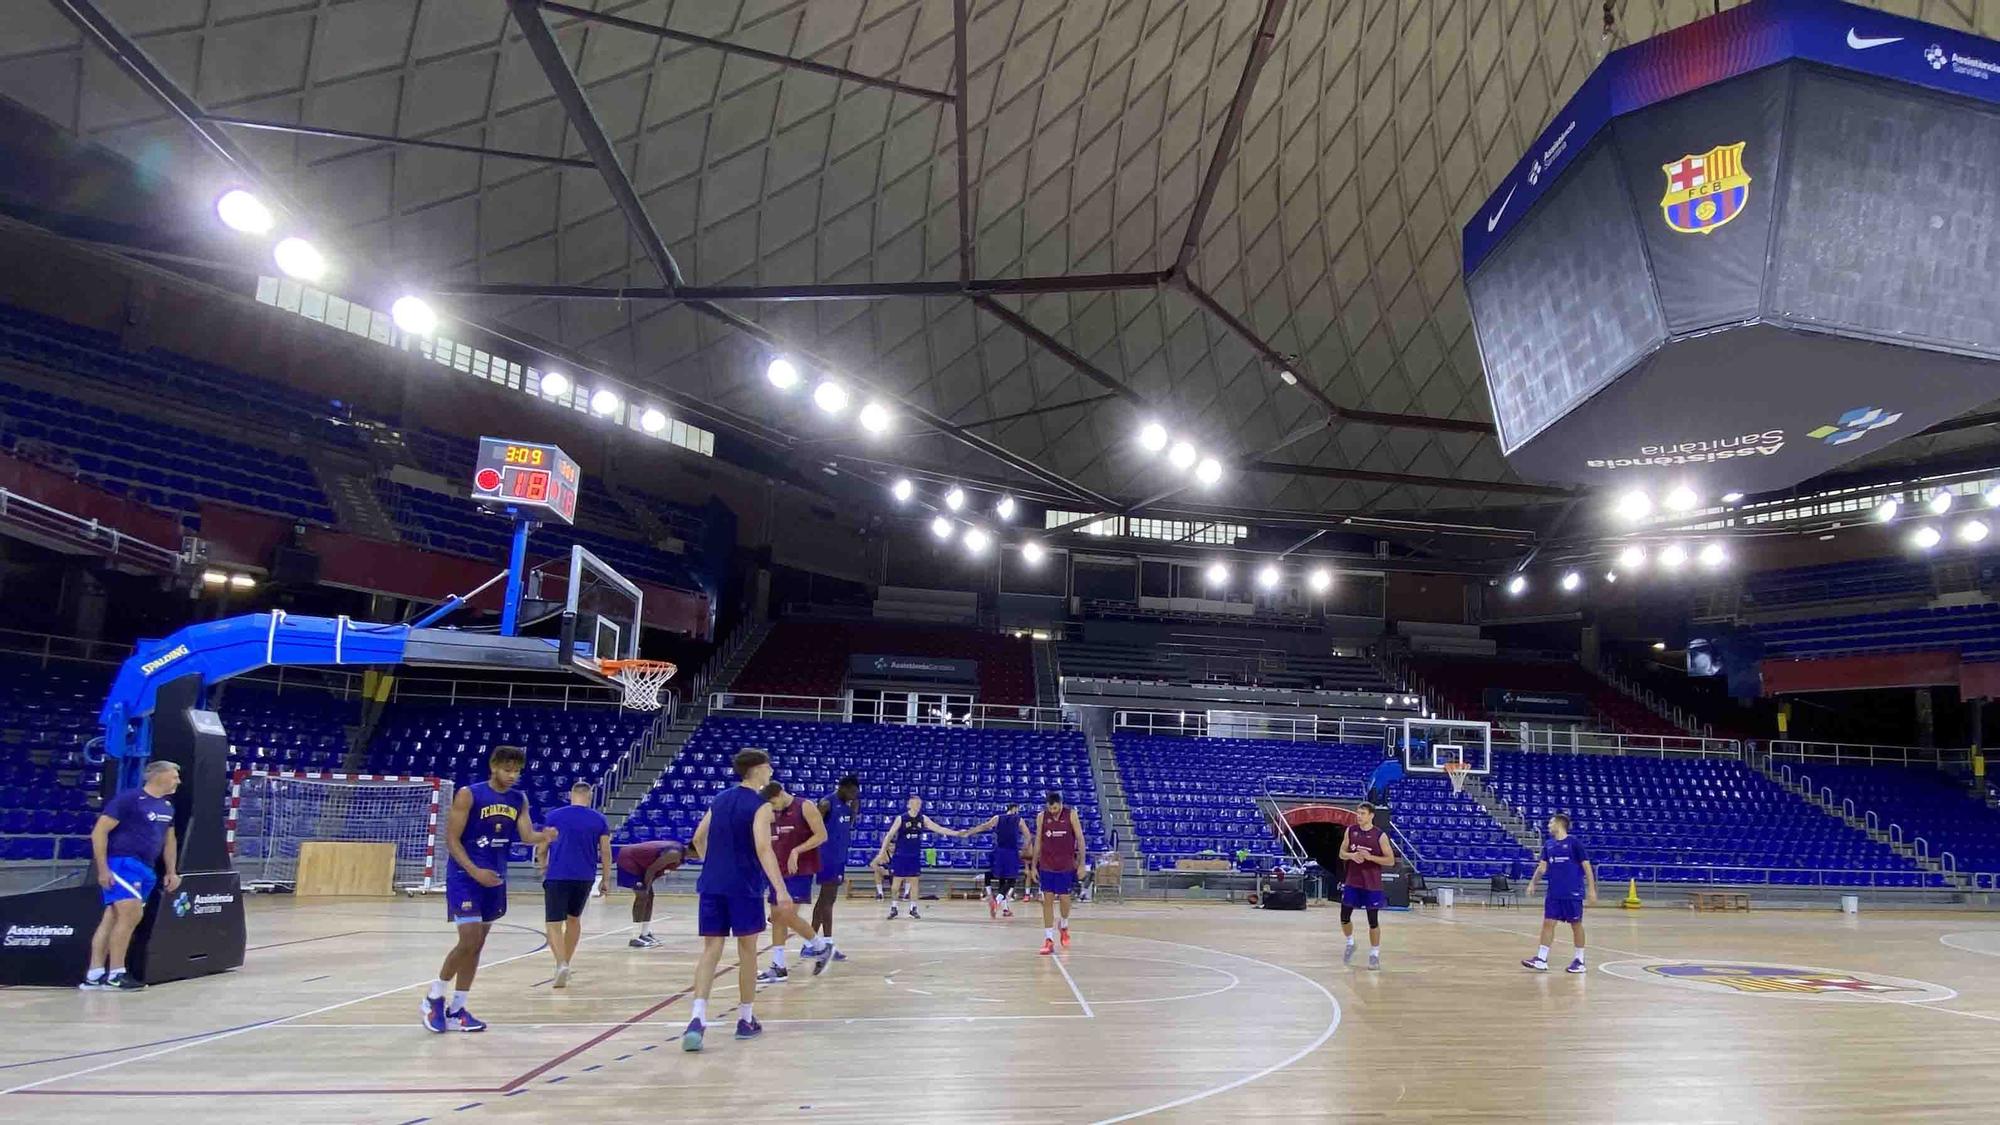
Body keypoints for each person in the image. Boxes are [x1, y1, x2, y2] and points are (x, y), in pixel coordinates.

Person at [424, 746, 554, 1033]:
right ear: (493, 766)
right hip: (466, 875)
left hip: (495, 876)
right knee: (468, 940)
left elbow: (526, 835)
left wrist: (546, 835)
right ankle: (434, 996)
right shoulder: (469, 794)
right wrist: (474, 871)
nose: (512, 775)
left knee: (477, 945)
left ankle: (458, 1008)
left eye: (517, 771)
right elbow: (452, 839)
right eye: (507, 769)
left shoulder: (518, 799)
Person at [681, 749, 797, 1051]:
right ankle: (745, 1019)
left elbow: (697, 837)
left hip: (712, 883)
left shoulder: (719, 800)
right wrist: (781, 889)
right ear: (757, 770)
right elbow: (763, 848)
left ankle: (696, 1018)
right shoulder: (760, 806)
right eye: (768, 766)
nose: (771, 770)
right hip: (743, 886)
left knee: (711, 950)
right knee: (747, 951)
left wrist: (712, 863)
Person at [80, 760, 182, 991]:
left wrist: (171, 870)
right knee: (129, 917)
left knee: (112, 918)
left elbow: (169, 840)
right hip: (123, 863)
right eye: (174, 776)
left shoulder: (167, 806)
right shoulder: (129, 800)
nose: (178, 781)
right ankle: (116, 974)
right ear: (159, 775)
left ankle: (94, 974)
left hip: (146, 868)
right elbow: (99, 832)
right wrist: (103, 869)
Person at [537, 780, 612, 989]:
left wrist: (542, 865)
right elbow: (605, 851)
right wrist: (605, 878)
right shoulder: (599, 819)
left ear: (572, 794)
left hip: (558, 875)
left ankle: (560, 963)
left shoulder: (554, 816)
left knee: (553, 923)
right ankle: (566, 963)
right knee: (574, 920)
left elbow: (543, 846)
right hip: (585, 877)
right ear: (589, 796)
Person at [758, 781, 834, 983]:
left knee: (786, 914)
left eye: (774, 803)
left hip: (800, 870)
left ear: (781, 793)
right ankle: (778, 965)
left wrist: (797, 850)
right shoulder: (769, 811)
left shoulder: (805, 806)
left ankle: (819, 947)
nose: (773, 808)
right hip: (777, 870)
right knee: (776, 917)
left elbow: (822, 835)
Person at [1522, 813, 1598, 973]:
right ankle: (1541, 959)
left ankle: (1580, 960)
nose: (1548, 826)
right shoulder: (1548, 845)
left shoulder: (1574, 843)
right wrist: (1532, 883)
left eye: (1551, 823)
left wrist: (1591, 889)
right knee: (1548, 923)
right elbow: (1542, 868)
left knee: (1576, 925)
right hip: (1554, 893)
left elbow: (1587, 867)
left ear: (1559, 824)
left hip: (1572, 893)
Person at [871, 795, 958, 919]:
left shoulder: (923, 819)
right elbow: (889, 836)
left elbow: (939, 829)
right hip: (900, 856)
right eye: (915, 803)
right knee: (896, 885)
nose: (918, 805)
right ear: (909, 805)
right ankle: (894, 907)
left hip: (914, 856)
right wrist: (881, 852)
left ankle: (913, 908)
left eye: (919, 804)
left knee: (914, 883)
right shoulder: (901, 818)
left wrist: (957, 833)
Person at [1339, 801, 1395, 970]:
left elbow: (1390, 860)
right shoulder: (1351, 831)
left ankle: (1374, 954)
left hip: (1371, 883)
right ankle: (1350, 942)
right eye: (1358, 813)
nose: (1359, 816)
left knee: (1373, 920)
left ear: (1371, 816)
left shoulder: (1380, 836)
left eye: (1362, 813)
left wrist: (1370, 858)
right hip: (1352, 881)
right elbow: (1341, 853)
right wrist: (1351, 856)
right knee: (1344, 916)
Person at [1028, 791, 1085, 955]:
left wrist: (1081, 864)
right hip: (1047, 865)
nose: (1053, 811)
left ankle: (1064, 925)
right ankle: (1048, 939)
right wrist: (1033, 866)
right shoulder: (1041, 817)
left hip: (1066, 865)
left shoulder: (1071, 815)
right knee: (1047, 901)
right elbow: (1037, 841)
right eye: (1050, 808)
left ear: (1060, 804)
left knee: (1065, 900)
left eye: (1055, 808)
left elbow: (1080, 839)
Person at [811, 776, 859, 958]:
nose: (855, 796)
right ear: (843, 788)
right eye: (853, 792)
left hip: (839, 858)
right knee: (828, 900)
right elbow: (812, 828)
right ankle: (826, 944)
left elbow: (847, 827)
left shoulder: (849, 806)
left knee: (825, 900)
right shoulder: (826, 804)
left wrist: (854, 810)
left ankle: (812, 944)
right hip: (827, 858)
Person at [959, 802, 1027, 919]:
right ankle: (997, 901)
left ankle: (1005, 909)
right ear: (1015, 809)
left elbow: (983, 826)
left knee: (1002, 879)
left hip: (999, 852)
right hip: (1011, 852)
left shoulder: (997, 818)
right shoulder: (1018, 819)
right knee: (1011, 880)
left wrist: (969, 832)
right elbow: (1028, 835)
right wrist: (1024, 849)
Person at [615, 837, 686, 947]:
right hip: (628, 859)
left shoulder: (679, 856)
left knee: (649, 896)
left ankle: (644, 933)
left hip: (640, 864)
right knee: (642, 896)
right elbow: (651, 870)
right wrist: (646, 888)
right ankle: (634, 937)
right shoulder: (674, 853)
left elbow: (655, 871)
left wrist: (648, 886)